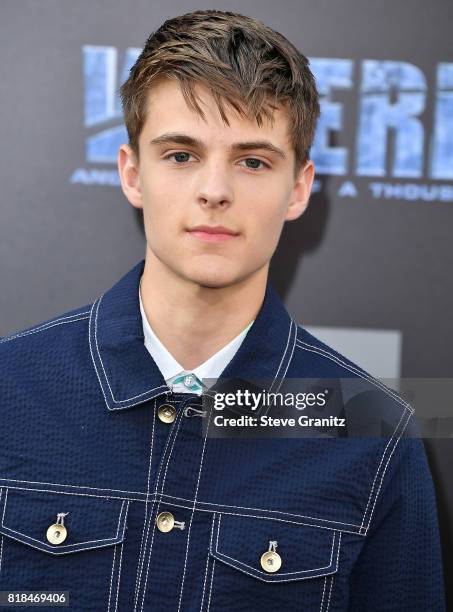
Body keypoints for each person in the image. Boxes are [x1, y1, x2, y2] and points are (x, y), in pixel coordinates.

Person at [0, 9, 445, 612]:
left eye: (253, 161)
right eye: (181, 155)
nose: (215, 190)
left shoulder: (372, 431)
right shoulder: (10, 389)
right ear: (132, 173)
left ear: (299, 188)